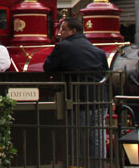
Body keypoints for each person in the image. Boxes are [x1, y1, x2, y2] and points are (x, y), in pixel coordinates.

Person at [44, 17, 110, 160]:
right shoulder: (98, 51)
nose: (60, 33)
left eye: (63, 29)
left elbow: (48, 67)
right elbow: (106, 72)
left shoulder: (63, 47)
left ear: (73, 30)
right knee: (98, 135)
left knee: (77, 136)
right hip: (99, 99)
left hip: (77, 98)